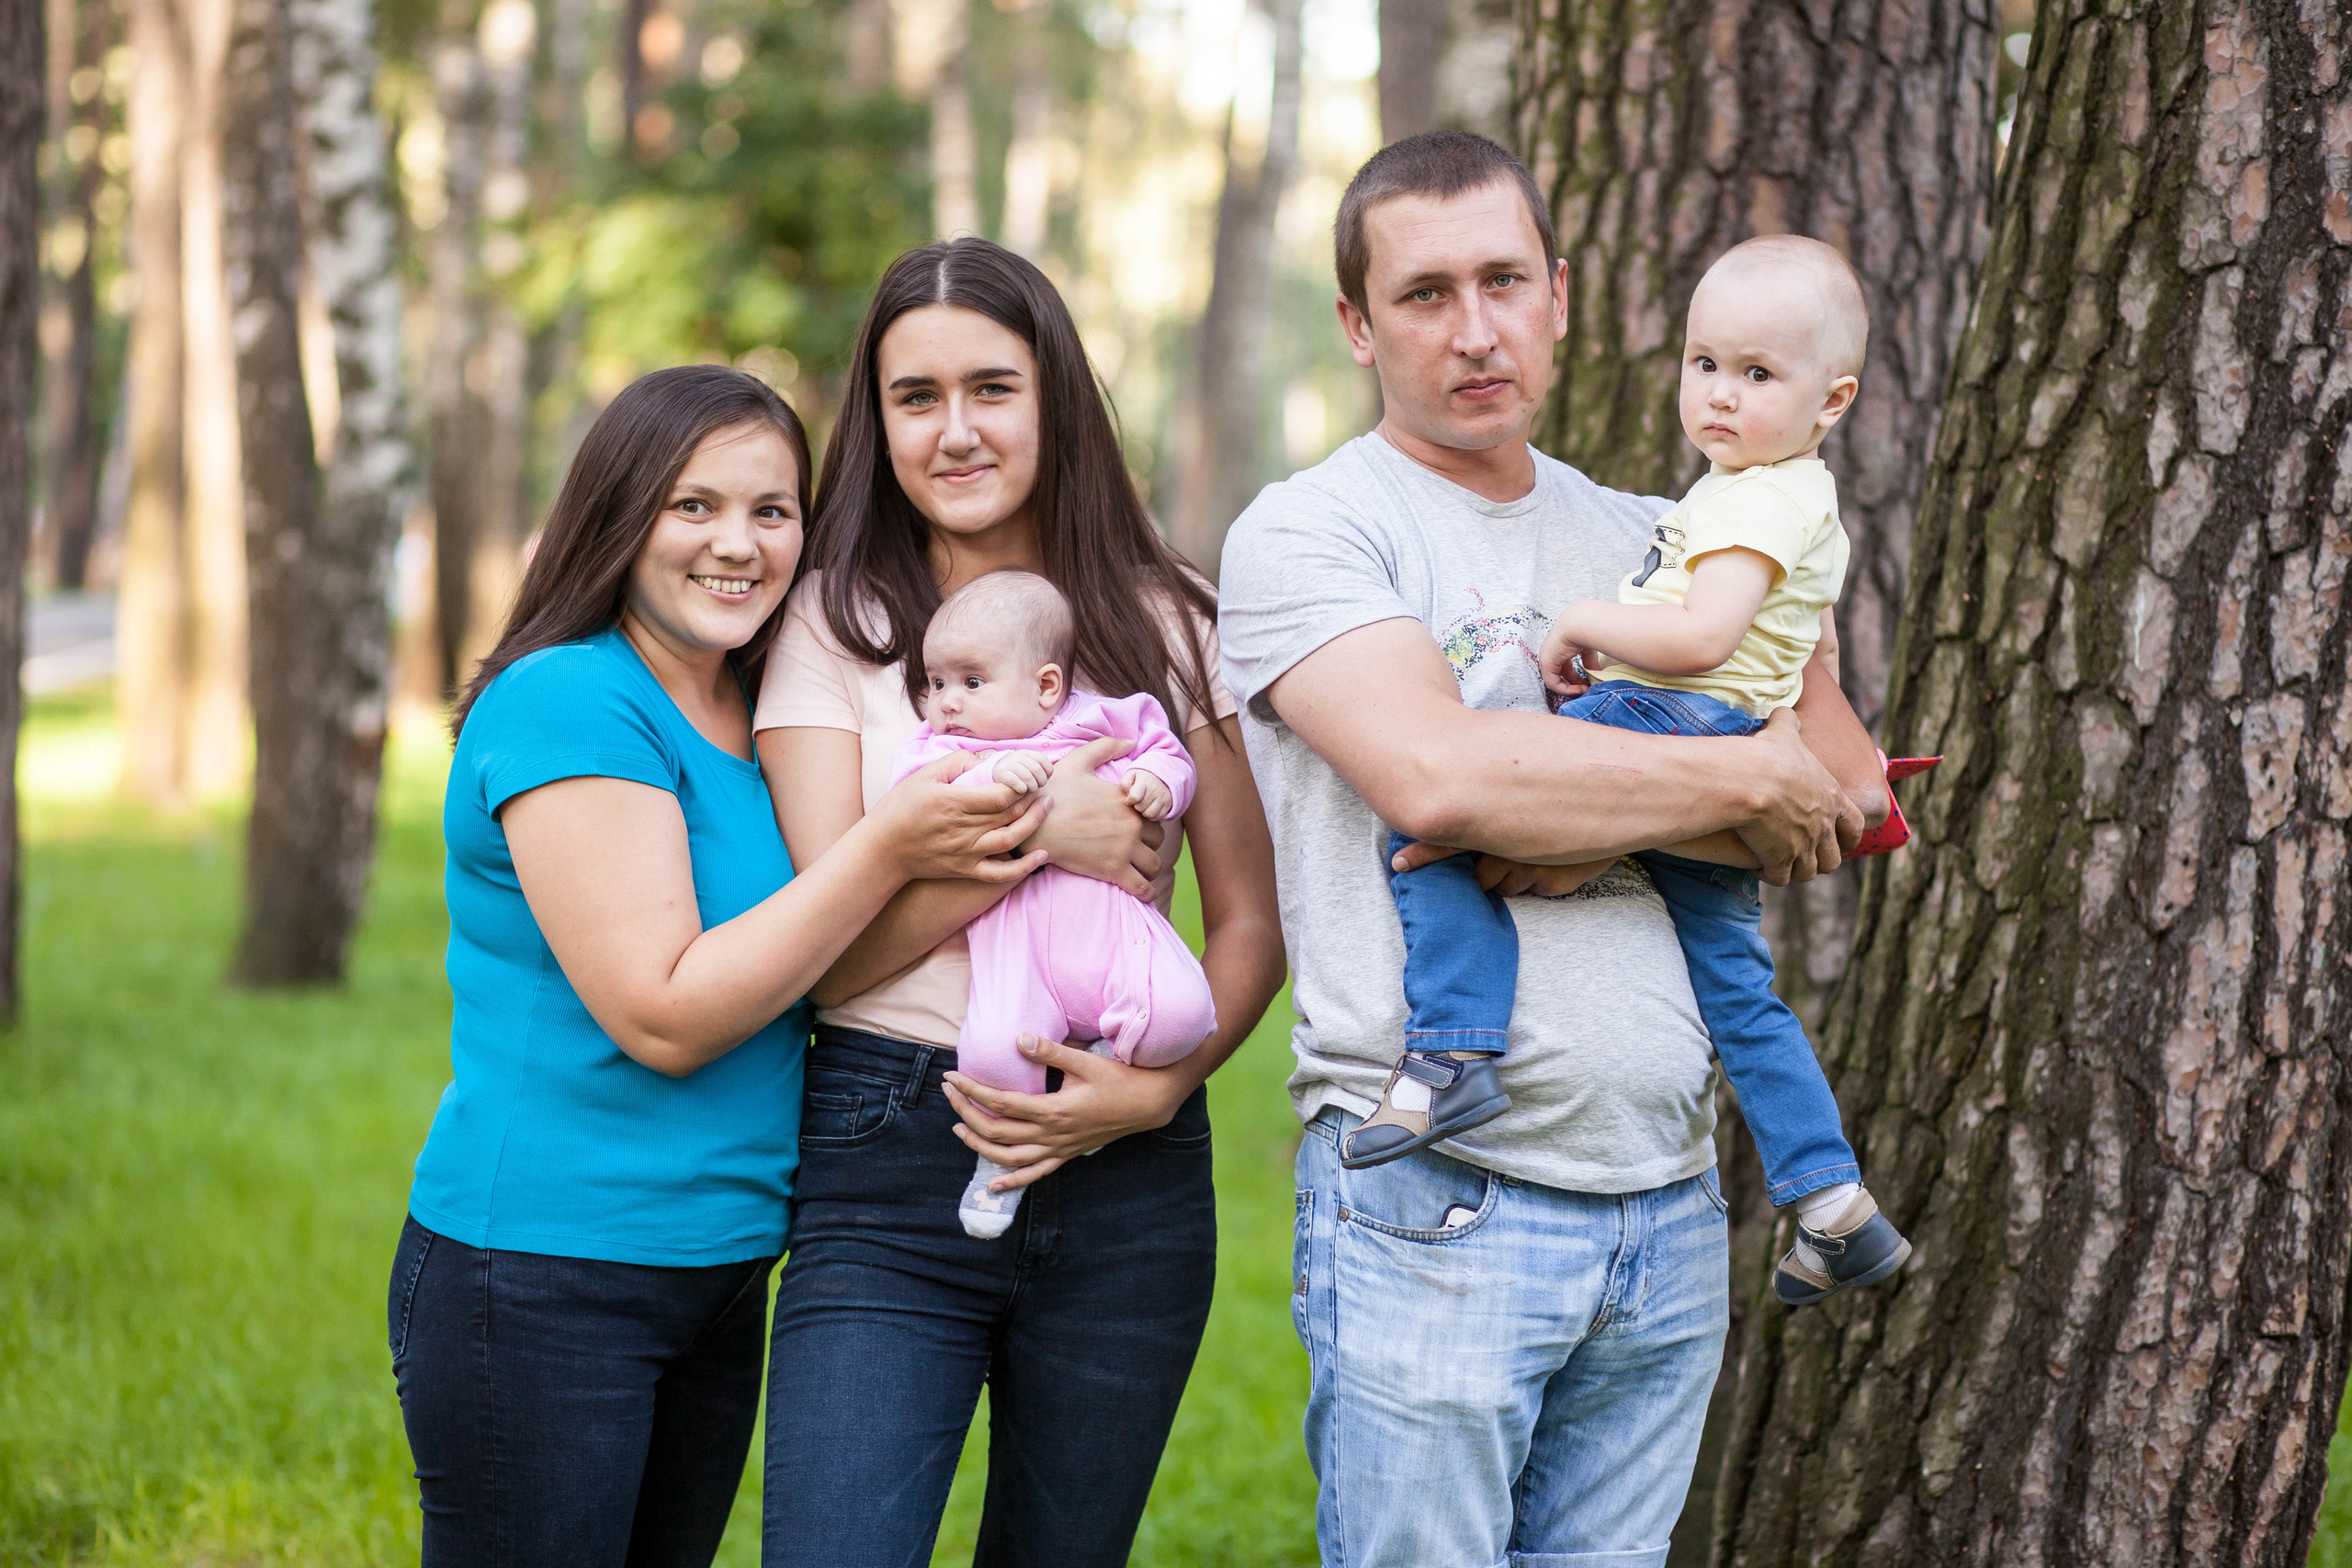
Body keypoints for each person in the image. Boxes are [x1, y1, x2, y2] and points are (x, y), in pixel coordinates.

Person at [1216, 131, 1889, 1566]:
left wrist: (1618, 806)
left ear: (1562, 294)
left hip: (1666, 1199)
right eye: (1424, 294)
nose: (1476, 331)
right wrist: (1729, 779)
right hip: (1439, 1205)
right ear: (1356, 323)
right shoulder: (1312, 533)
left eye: (1505, 281)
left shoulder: (1670, 527)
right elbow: (1442, 778)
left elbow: (1838, 795)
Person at [390, 366, 1047, 1567]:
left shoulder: (752, 707)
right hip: (545, 1268)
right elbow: (667, 1011)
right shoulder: (573, 699)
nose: (738, 545)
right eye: (693, 506)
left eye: (772, 509)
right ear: (619, 511)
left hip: (719, 1266)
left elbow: (818, 949)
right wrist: (889, 842)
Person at [753, 238, 1284, 1568]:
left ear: (1053, 397)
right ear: (875, 422)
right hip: (889, 1147)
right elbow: (825, 952)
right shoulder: (831, 623)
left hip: (1133, 1175)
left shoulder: (1172, 622)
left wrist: (1160, 1092)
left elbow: (1252, 928)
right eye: (914, 396)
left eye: (991, 386)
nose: (956, 429)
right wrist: (1049, 827)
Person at [1359, 233, 1913, 1306]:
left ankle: (1452, 1053)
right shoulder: (1777, 496)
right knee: (1741, 998)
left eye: (1757, 376)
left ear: (1830, 400)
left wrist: (1581, 621)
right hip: (1732, 736)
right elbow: (1814, 662)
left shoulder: (1752, 500)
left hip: (1668, 712)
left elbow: (1705, 635)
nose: (1718, 397)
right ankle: (1833, 1202)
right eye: (1705, 365)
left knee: (1432, 836)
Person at [885, 568, 1218, 1238]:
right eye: (937, 682)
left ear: (1046, 686)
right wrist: (991, 778)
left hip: (1113, 932)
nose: (948, 700)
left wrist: (1158, 780)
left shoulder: (1101, 718)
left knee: (1182, 1016)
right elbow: (915, 802)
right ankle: (995, 1165)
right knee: (991, 1058)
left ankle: (1108, 1066)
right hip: (1015, 949)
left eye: (971, 681)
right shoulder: (942, 748)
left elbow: (1167, 752)